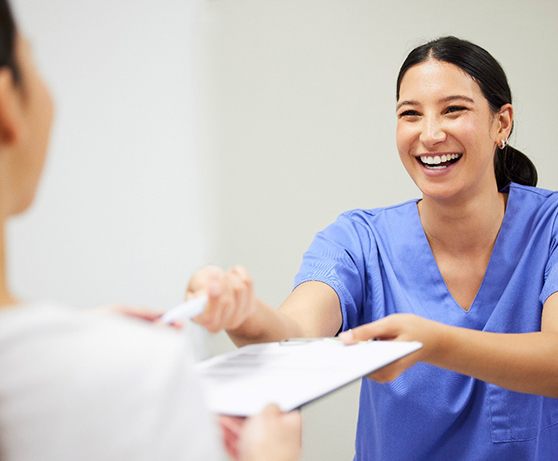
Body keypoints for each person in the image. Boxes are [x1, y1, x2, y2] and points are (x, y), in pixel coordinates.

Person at [187, 36, 558, 460]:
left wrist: (433, 343)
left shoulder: (550, 228)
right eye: (410, 114)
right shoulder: (358, 240)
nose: (430, 134)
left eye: (454, 110)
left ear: (501, 123)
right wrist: (244, 313)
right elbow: (293, 337)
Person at [0, 1, 301, 460]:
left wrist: (74, 337)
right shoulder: (140, 374)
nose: (431, 133)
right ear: (7, 109)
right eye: (32, 57)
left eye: (453, 109)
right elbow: (307, 336)